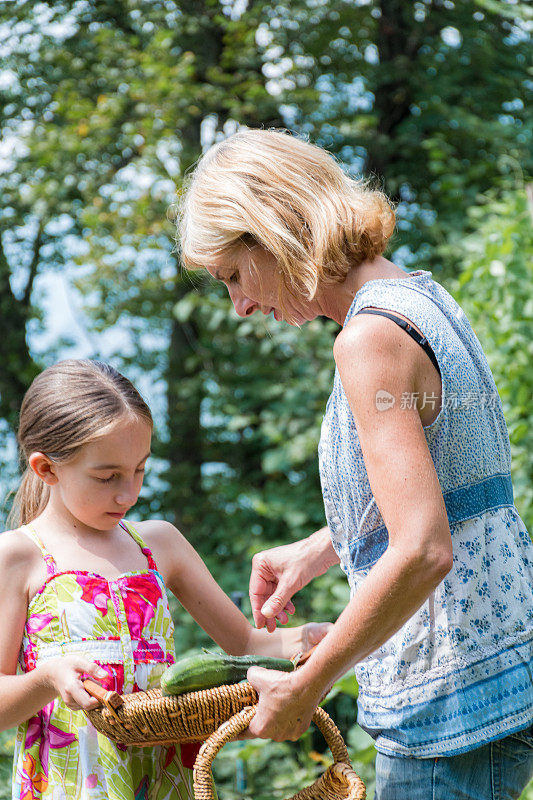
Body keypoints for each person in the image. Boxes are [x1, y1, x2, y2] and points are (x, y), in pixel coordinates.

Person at [177, 128, 533, 799]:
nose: (240, 304)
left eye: (232, 275)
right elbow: (458, 488)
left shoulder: (367, 340)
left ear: (273, 228)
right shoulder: (420, 298)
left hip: (447, 708)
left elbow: (423, 550)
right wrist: (320, 549)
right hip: (501, 673)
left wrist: (305, 684)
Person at [1, 359, 329, 800]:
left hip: (169, 784)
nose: (128, 493)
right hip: (70, 785)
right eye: (107, 476)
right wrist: (46, 679)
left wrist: (311, 636)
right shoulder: (18, 556)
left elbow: (246, 646)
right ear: (47, 469)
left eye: (139, 469)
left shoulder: (160, 544)